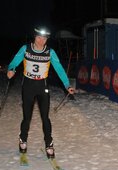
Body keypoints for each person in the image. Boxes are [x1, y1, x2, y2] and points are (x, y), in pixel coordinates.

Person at [7, 26, 75, 159]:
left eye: (44, 38)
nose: (41, 41)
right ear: (34, 37)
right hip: (28, 85)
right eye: (39, 37)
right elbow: (14, 62)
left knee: (45, 117)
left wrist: (67, 85)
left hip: (42, 85)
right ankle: (23, 140)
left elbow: (59, 69)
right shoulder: (25, 49)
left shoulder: (50, 52)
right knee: (27, 117)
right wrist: (11, 69)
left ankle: (49, 145)